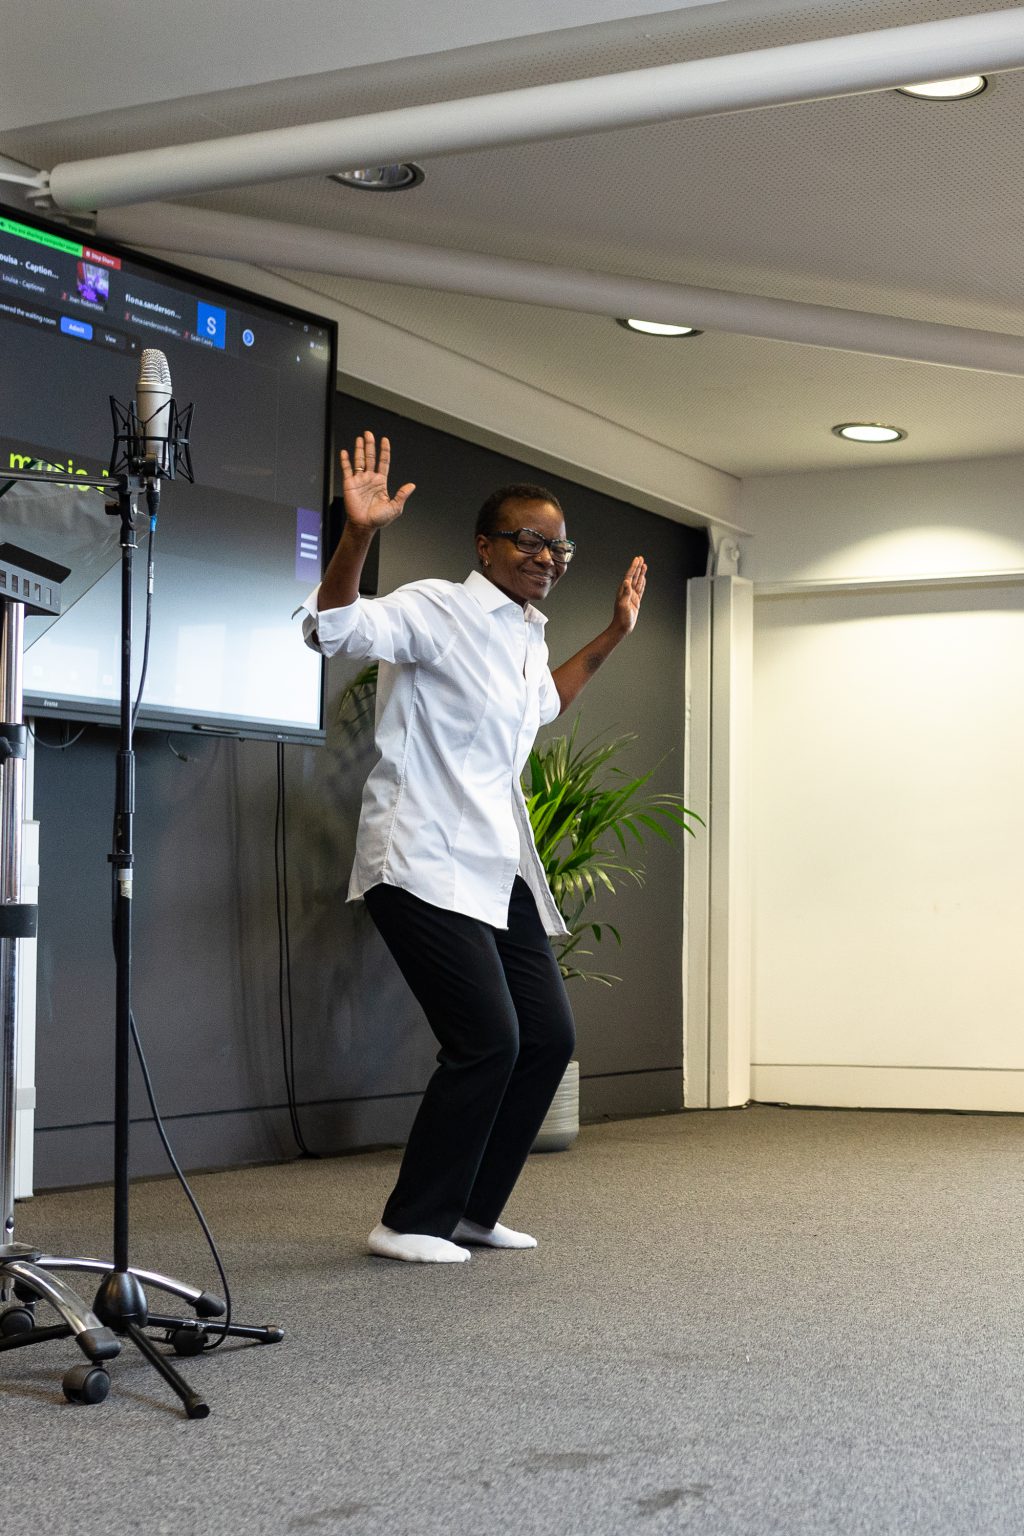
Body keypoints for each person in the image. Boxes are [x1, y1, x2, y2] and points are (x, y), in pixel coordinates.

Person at [301, 431, 646, 1264]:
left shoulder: (527, 633)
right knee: (487, 1039)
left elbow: (542, 711)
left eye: (558, 544)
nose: (546, 554)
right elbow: (336, 628)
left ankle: (468, 1211)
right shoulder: (436, 609)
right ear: (485, 545)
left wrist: (612, 636)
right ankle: (409, 1221)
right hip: (418, 858)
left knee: (547, 1040)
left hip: (497, 864)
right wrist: (358, 534)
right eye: (528, 538)